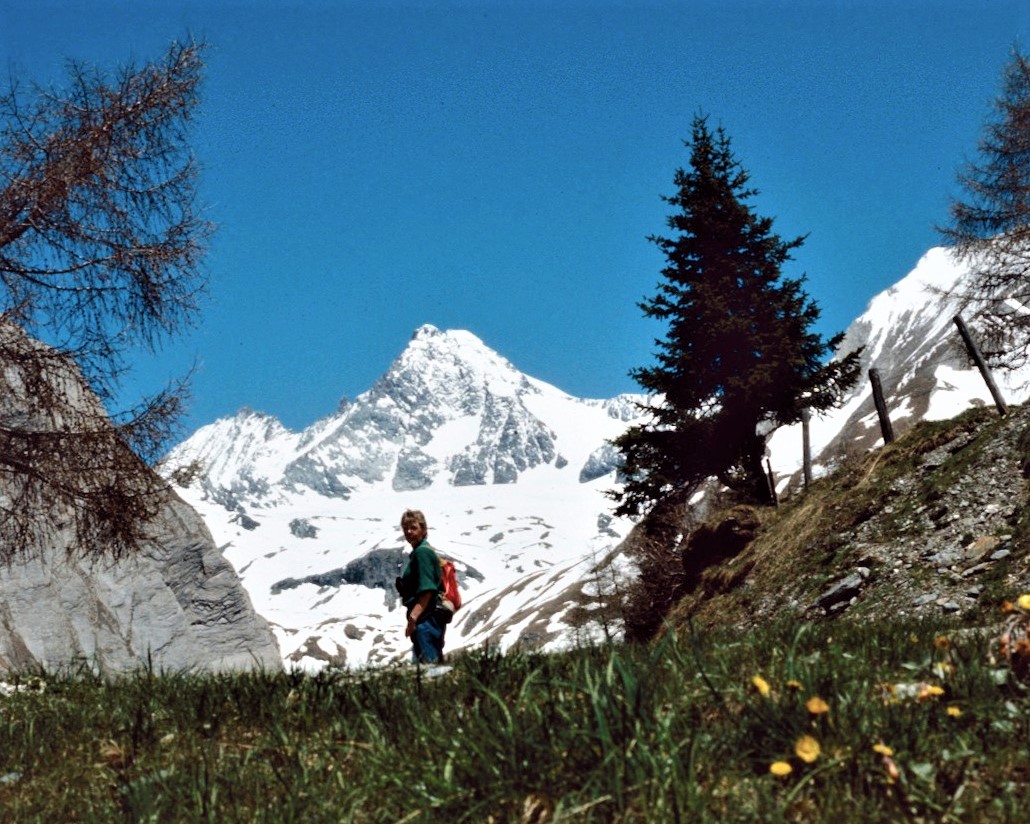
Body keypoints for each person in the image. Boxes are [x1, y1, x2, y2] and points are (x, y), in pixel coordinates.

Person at [396, 509, 447, 664]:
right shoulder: (421, 551)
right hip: (429, 615)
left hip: (427, 617)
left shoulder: (422, 553)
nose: (409, 532)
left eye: (413, 527)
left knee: (429, 664)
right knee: (431, 661)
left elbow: (427, 590)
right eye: (406, 529)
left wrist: (413, 619)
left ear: (424, 529)